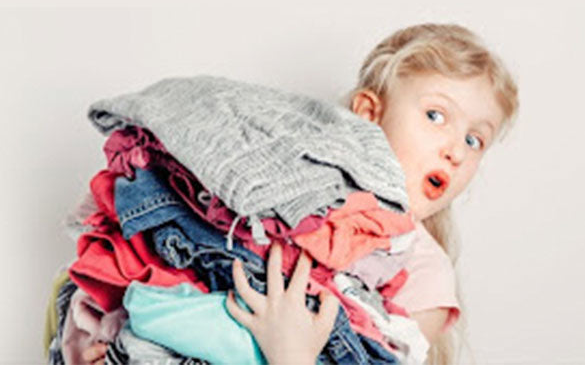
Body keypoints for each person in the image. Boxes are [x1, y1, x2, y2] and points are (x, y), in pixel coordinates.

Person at [82, 22, 519, 364]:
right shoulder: (284, 196)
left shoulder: (425, 272)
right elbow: (153, 276)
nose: (456, 151)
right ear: (369, 113)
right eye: (436, 115)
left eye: (475, 139)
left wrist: (291, 354)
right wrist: (107, 340)